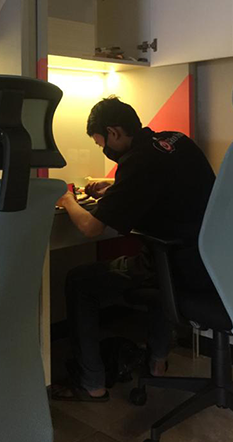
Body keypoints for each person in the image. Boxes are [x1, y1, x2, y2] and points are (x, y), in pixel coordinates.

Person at [54, 96, 216, 402]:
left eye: (100, 142)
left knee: (79, 281)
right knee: (160, 265)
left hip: (176, 266)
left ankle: (92, 383)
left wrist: (68, 201)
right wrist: (115, 190)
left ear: (113, 132)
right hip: (207, 262)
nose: (103, 149)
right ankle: (158, 361)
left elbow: (91, 227)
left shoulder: (137, 163)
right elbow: (164, 188)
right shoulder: (176, 140)